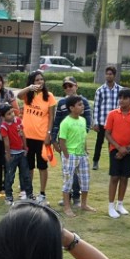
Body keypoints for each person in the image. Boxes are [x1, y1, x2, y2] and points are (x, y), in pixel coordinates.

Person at [50, 76, 90, 207]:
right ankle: (68, 197)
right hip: (65, 143)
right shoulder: (61, 103)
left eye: (70, 85)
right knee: (67, 172)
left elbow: (87, 123)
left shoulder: (83, 101)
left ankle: (77, 198)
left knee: (80, 174)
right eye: (65, 86)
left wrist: (81, 141)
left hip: (78, 144)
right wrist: (54, 140)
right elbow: (57, 122)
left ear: (76, 86)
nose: (68, 88)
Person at [18, 70, 57, 202]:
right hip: (26, 137)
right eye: (36, 80)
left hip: (42, 137)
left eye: (41, 79)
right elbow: (18, 95)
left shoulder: (49, 96)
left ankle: (42, 193)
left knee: (42, 166)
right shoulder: (27, 95)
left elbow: (52, 117)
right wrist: (29, 88)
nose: (40, 82)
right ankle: (28, 192)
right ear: (31, 82)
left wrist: (49, 135)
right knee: (28, 166)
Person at [104, 88, 130, 218]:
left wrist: (128, 148)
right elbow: (107, 133)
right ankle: (111, 206)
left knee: (124, 177)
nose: (121, 100)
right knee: (114, 177)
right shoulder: (112, 114)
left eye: (125, 98)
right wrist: (119, 148)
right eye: (120, 98)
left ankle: (120, 204)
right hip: (115, 149)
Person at [57, 95, 95, 218]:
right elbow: (61, 140)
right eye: (79, 104)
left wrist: (85, 151)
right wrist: (66, 155)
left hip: (82, 155)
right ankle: (67, 207)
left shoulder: (83, 121)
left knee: (85, 180)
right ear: (71, 108)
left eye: (82, 104)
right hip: (70, 155)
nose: (82, 106)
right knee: (68, 182)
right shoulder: (66, 122)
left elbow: (83, 137)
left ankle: (84, 204)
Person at [0, 103, 31, 205]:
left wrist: (25, 147)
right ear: (3, 117)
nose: (12, 115)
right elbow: (6, 142)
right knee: (9, 176)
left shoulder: (18, 120)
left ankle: (29, 195)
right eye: (9, 114)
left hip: (21, 153)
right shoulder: (4, 126)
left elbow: (23, 135)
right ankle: (9, 196)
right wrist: (8, 154)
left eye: (12, 112)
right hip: (12, 154)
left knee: (26, 175)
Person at [92, 65, 120, 170]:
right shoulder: (100, 90)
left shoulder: (119, 90)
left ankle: (113, 163)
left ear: (114, 76)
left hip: (115, 123)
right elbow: (96, 107)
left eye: (111, 74)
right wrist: (95, 122)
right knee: (99, 142)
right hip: (102, 121)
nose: (108, 76)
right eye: (107, 74)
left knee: (113, 144)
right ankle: (95, 162)